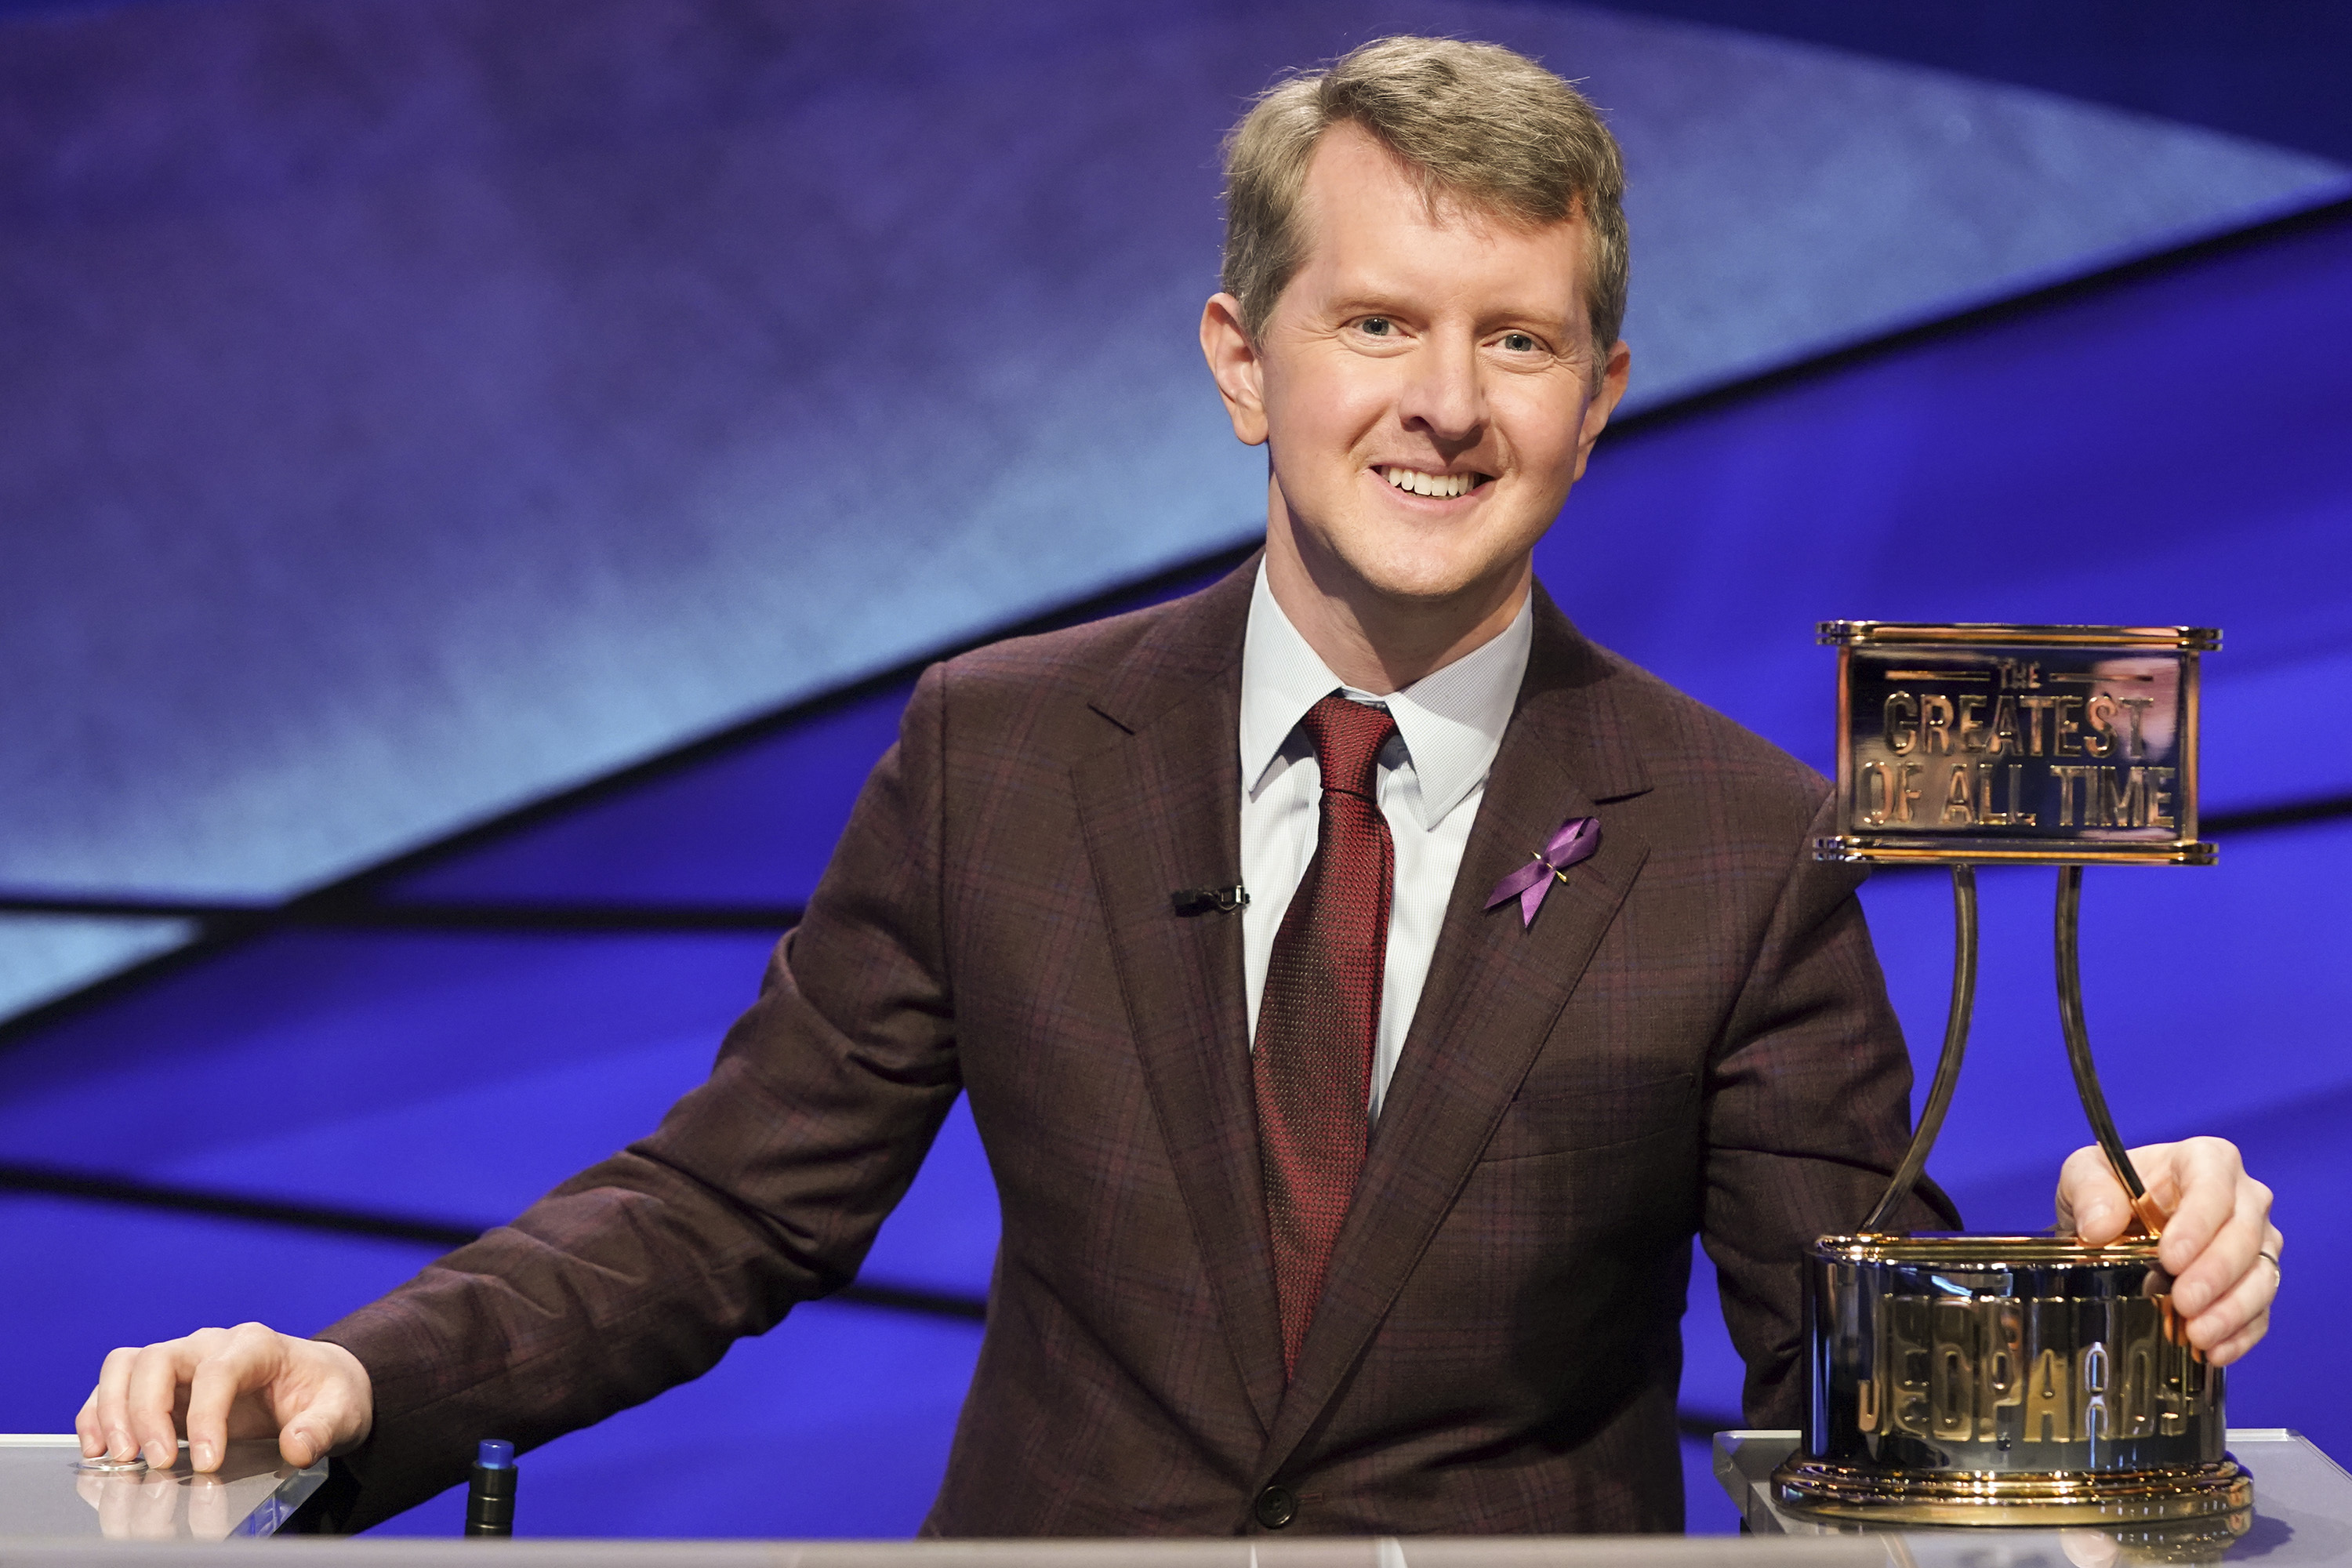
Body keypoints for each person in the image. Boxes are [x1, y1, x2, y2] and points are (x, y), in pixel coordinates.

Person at [78, 37, 2282, 1535]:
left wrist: (2088, 1302)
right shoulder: (1001, 753)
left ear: (1601, 398)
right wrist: (364, 1375)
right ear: (1245, 363)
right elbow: (729, 1209)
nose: (1445, 404)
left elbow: (1843, 1350)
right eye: (1377, 325)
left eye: (1516, 340)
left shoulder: (1726, 836)